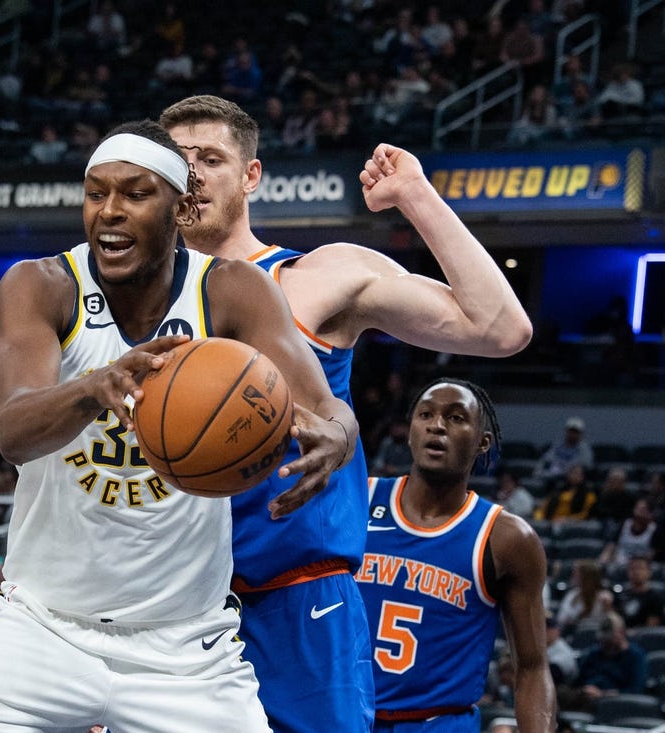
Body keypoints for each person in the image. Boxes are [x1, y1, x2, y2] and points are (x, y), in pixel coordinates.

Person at [0, 120, 356, 732]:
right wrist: (92, 386)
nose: (109, 212)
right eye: (96, 194)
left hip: (185, 648)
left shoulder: (230, 291)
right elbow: (12, 431)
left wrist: (335, 439)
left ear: (181, 208)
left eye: (134, 194)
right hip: (41, 631)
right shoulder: (41, 286)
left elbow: (331, 412)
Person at [157, 94, 532, 732]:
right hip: (164, 602)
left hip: (294, 600)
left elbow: (500, 327)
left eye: (211, 158)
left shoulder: (316, 276)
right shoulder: (117, 303)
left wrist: (416, 196)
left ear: (251, 176)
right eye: (176, 160)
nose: (191, 175)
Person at [357, 378, 554, 731]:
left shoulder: (507, 539)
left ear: (482, 443)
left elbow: (533, 667)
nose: (437, 425)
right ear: (410, 431)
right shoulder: (357, 500)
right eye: (426, 414)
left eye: (455, 417)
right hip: (342, 717)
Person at [557, 611, 648, 711]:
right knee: (559, 693)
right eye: (603, 640)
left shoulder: (635, 656)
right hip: (585, 695)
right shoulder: (594, 653)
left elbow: (635, 689)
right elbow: (578, 681)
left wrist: (602, 694)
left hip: (612, 701)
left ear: (621, 633)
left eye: (610, 639)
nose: (606, 644)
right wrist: (585, 690)